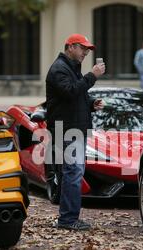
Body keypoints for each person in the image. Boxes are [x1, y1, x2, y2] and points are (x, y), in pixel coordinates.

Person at [46, 34, 106, 231]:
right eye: (83, 48)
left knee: (72, 173)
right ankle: (68, 219)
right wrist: (92, 76)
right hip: (67, 129)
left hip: (73, 128)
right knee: (73, 172)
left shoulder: (70, 68)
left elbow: (75, 96)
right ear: (70, 47)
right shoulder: (59, 69)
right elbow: (70, 91)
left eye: (88, 50)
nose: (86, 53)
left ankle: (69, 217)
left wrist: (90, 104)